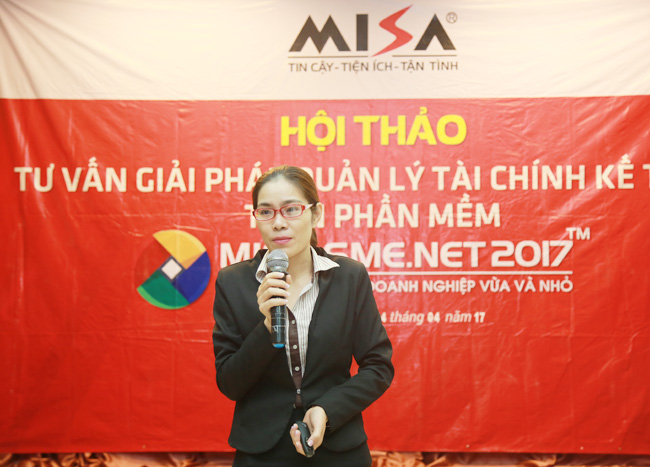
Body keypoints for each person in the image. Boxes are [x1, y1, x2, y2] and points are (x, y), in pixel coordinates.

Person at [212, 165, 394, 466]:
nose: (278, 223)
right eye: (266, 212)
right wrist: (267, 326)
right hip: (261, 452)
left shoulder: (349, 276)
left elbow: (378, 366)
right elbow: (230, 383)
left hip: (338, 446)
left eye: (291, 210)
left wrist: (327, 410)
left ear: (316, 213)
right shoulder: (233, 282)